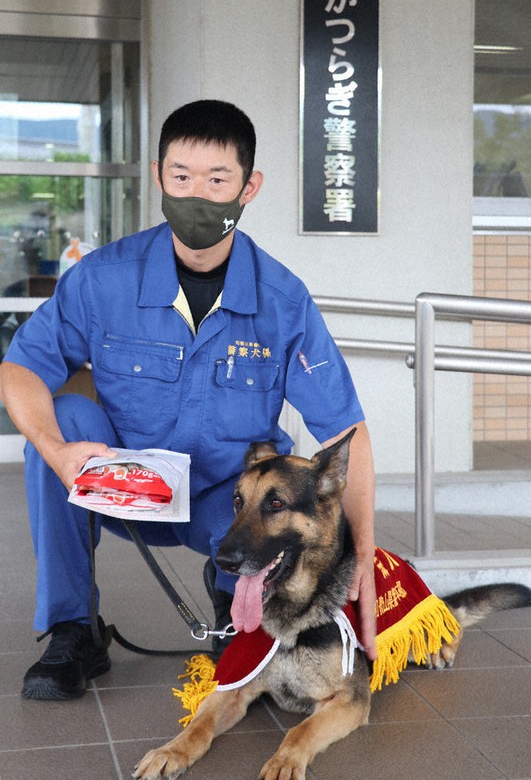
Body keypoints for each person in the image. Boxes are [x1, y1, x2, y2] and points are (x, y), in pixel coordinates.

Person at [0, 99, 377, 701]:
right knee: (65, 418)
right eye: (181, 177)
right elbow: (20, 367)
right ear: (158, 177)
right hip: (125, 487)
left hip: (226, 508)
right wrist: (57, 449)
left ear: (249, 186)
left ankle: (235, 599)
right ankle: (73, 629)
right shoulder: (103, 279)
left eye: (217, 179)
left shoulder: (282, 299)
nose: (196, 195)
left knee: (268, 495)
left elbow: (344, 429)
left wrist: (362, 557)